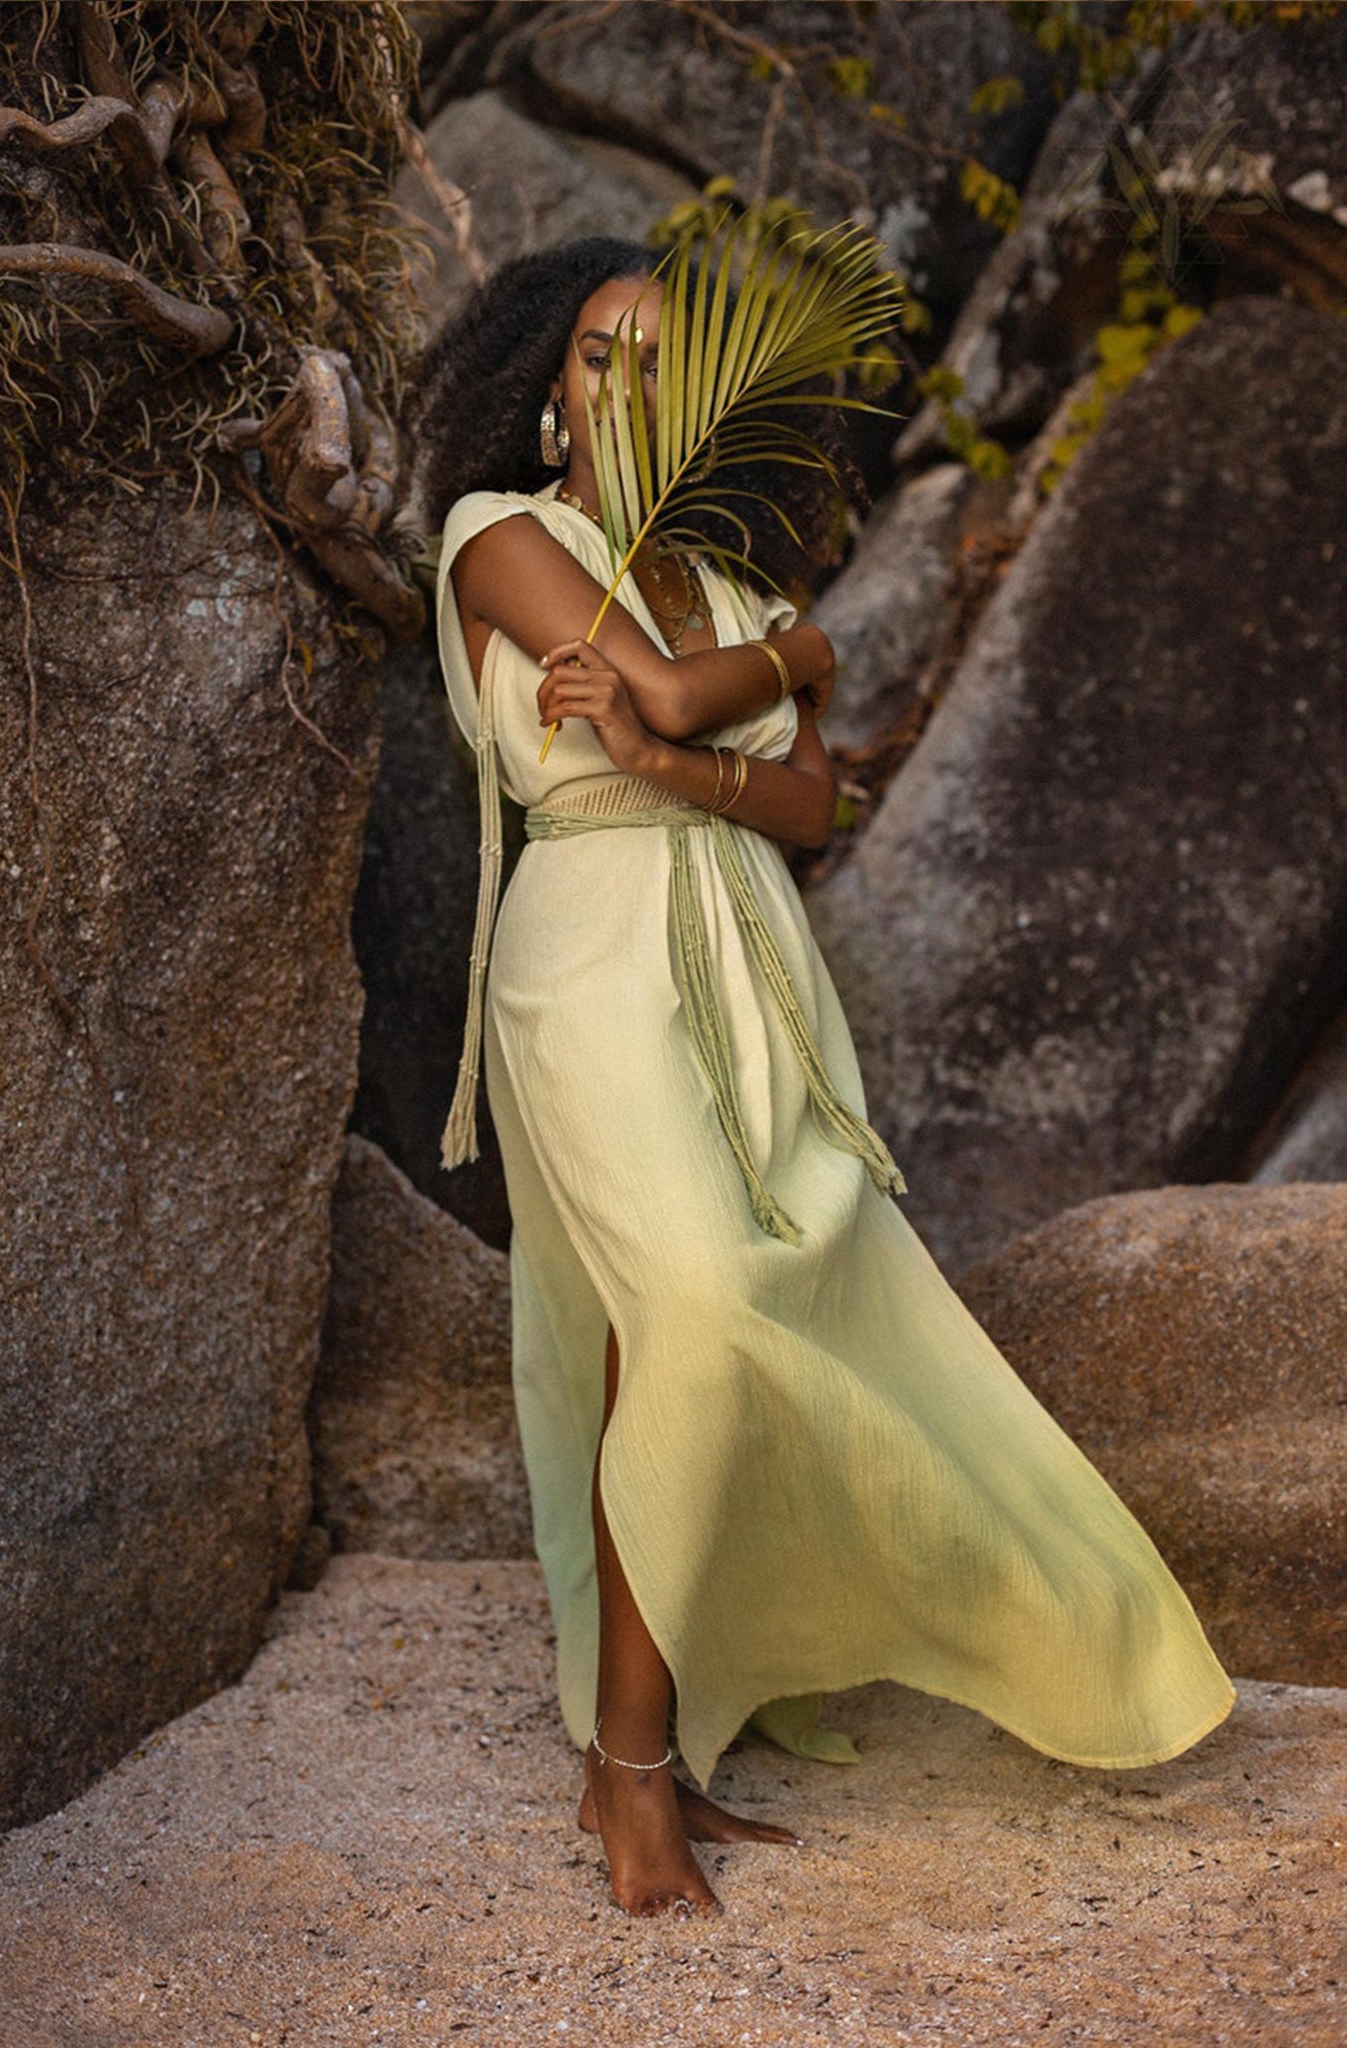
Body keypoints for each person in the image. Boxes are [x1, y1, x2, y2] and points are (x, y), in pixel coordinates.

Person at [410, 236, 1235, 1919]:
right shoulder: (505, 537)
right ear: (543, 393)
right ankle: (631, 1770)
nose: (623, 388)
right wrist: (783, 671)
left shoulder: (724, 584)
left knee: (713, 1327)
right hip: (584, 958)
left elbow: (812, 811)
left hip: (744, 958)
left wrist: (685, 736)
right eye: (593, 357)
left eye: (664, 362)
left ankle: (640, 1751)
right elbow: (661, 687)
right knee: (700, 1315)